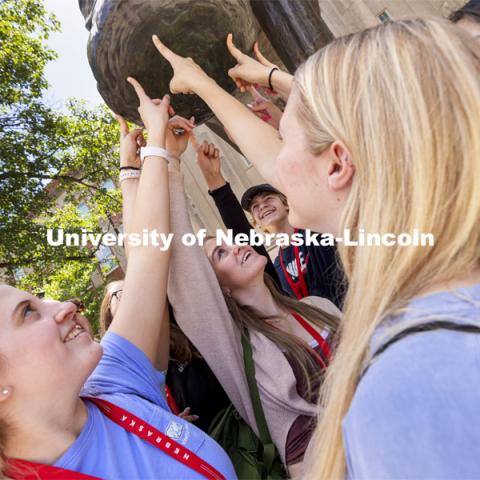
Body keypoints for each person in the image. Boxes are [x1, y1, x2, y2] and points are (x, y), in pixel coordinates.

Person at [149, 16, 480, 478]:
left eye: (286, 136)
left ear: (339, 163)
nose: (275, 161)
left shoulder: (410, 384)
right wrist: (213, 89)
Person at [1, 78, 236, 479]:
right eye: (27, 313)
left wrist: (145, 157)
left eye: (38, 299)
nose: (66, 306)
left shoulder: (111, 383)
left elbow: (147, 255)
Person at [166, 129, 341, 477]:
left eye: (233, 242)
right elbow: (181, 267)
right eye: (221, 254)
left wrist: (216, 180)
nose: (239, 246)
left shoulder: (318, 306)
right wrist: (169, 162)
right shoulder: (236, 347)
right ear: (218, 289)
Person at [99, 117, 230, 432]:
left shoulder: (187, 322)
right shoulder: (127, 373)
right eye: (120, 292)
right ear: (108, 317)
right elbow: (143, 259)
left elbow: (151, 253)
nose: (131, 289)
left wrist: (135, 171)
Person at [195, 140, 344, 306]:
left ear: (287, 204)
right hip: (325, 326)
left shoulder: (316, 230)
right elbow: (242, 232)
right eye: (255, 207)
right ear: (257, 223)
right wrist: (214, 179)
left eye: (268, 199)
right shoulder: (275, 265)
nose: (262, 206)